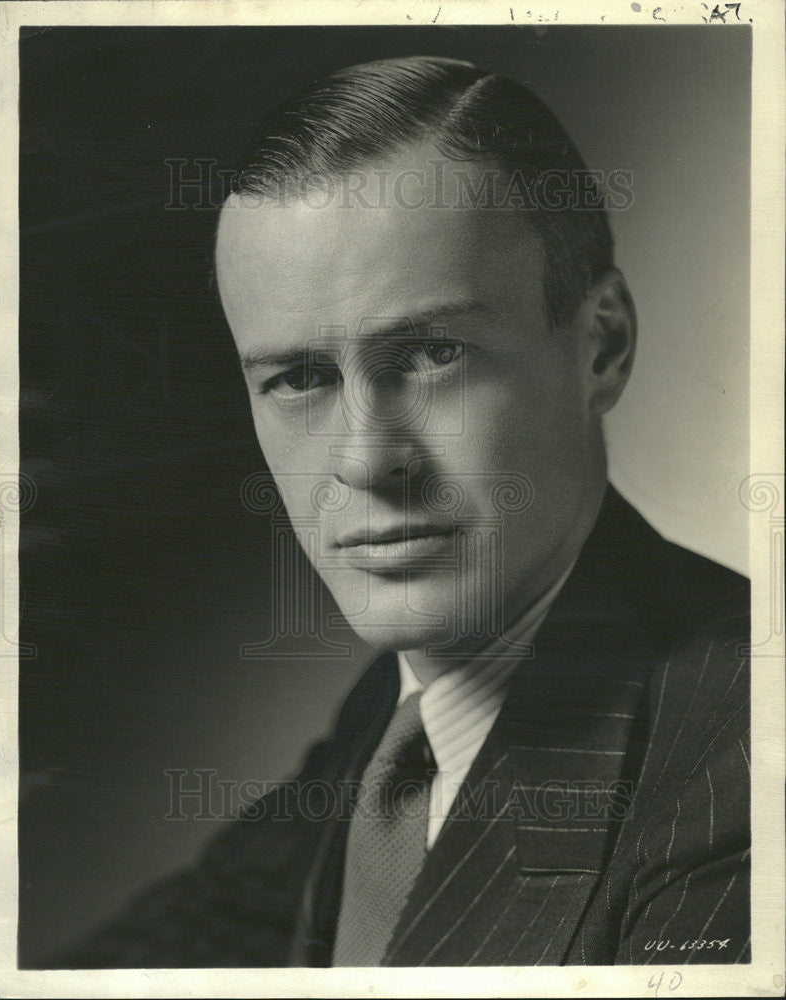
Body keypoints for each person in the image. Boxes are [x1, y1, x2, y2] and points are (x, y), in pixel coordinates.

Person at [58, 55, 750, 968]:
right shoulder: (401, 723)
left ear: (602, 345)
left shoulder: (746, 769)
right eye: (299, 378)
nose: (363, 460)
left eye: (430, 354)